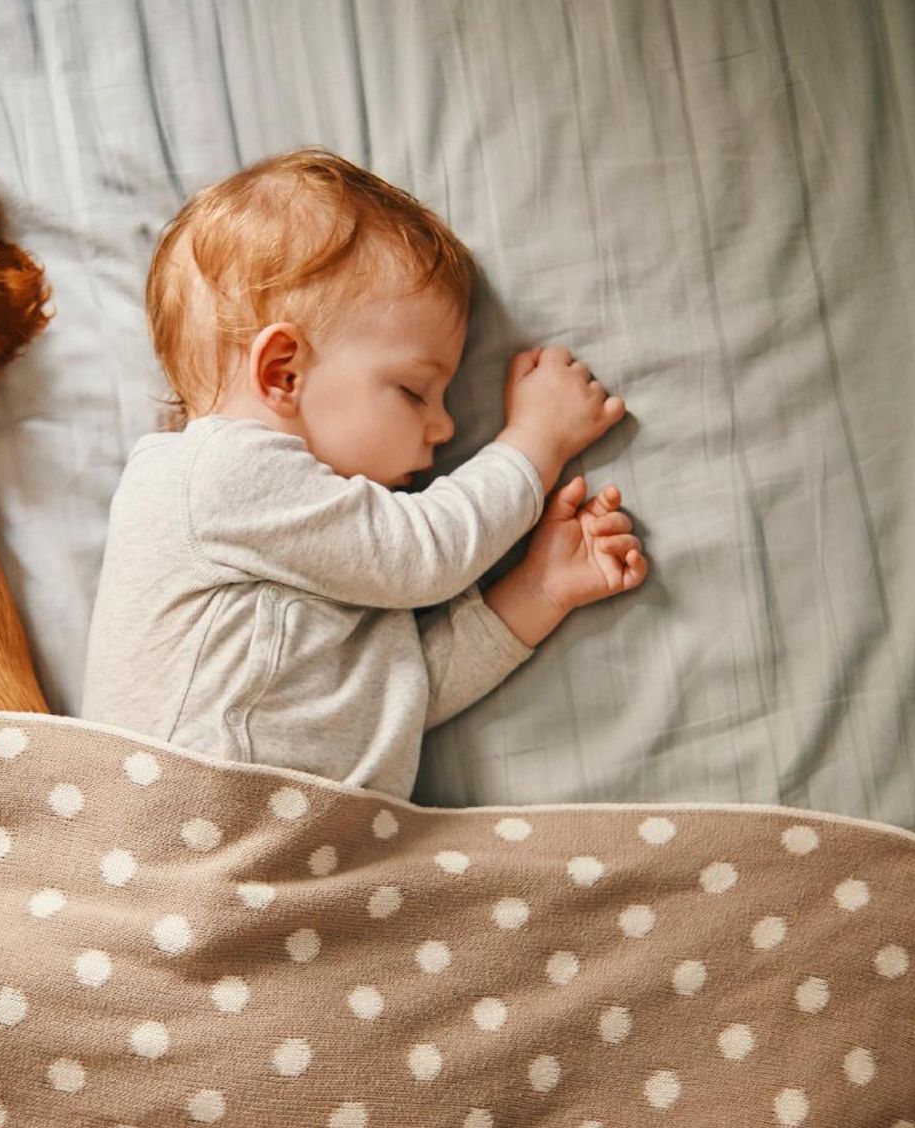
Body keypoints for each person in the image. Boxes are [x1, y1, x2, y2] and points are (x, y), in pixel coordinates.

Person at [81, 149, 647, 798]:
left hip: (312, 861)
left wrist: (539, 589)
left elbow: (394, 704)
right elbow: (421, 554)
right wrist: (534, 442)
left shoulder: (320, 542)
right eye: (414, 391)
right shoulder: (211, 471)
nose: (446, 428)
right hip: (196, 847)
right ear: (283, 373)